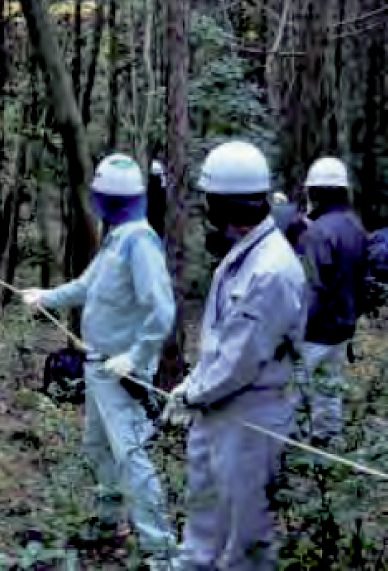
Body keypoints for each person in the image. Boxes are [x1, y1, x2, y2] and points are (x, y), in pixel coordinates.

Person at [23, 154, 177, 565]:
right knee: (98, 448)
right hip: (99, 367)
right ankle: (110, 525)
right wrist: (45, 298)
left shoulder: (141, 242)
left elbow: (161, 310)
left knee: (130, 456)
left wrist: (137, 356)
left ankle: (160, 551)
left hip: (122, 372)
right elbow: (85, 285)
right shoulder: (116, 239)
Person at [163, 141, 307, 571]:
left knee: (244, 540)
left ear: (224, 205)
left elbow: (241, 359)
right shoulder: (244, 256)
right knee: (205, 523)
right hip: (220, 410)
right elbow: (222, 341)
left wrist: (193, 394)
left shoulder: (271, 269)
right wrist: (190, 386)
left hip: (251, 417)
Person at [297, 157, 369, 446]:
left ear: (315, 192)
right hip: (342, 330)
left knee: (292, 395)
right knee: (329, 395)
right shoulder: (355, 226)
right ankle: (329, 455)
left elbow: (313, 288)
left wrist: (295, 328)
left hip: (315, 332)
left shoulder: (318, 232)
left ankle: (290, 459)